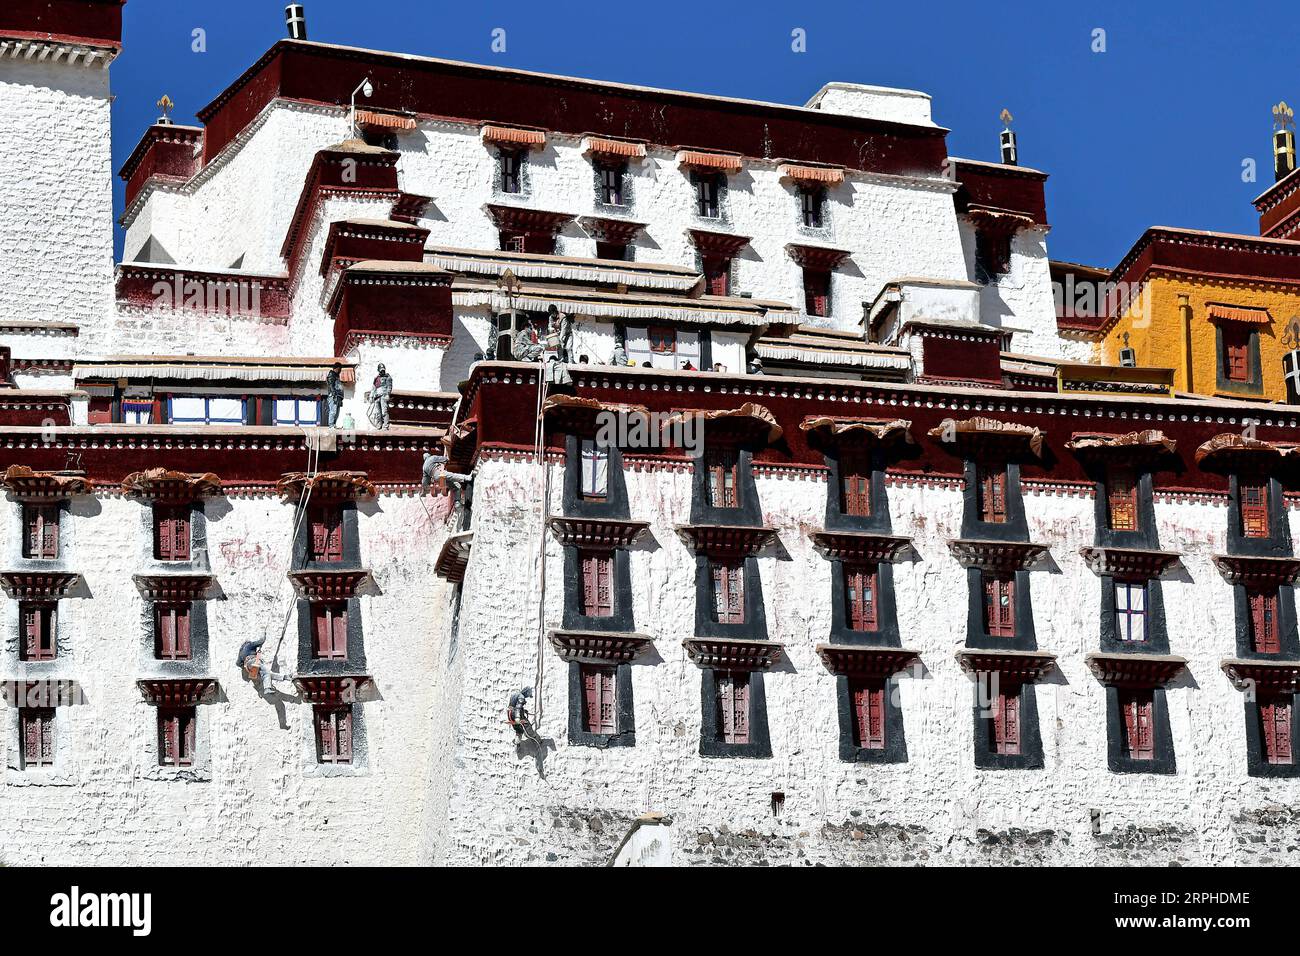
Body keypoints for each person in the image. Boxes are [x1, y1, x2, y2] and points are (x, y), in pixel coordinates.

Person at [367, 363, 393, 429]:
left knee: (384, 411)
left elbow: (389, 387)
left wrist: (387, 394)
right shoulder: (376, 378)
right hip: (377, 397)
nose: (382, 371)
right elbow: (373, 388)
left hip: (383, 396)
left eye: (383, 370)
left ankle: (385, 425)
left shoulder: (388, 377)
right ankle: (379, 425)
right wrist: (371, 396)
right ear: (378, 370)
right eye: (381, 370)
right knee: (378, 412)